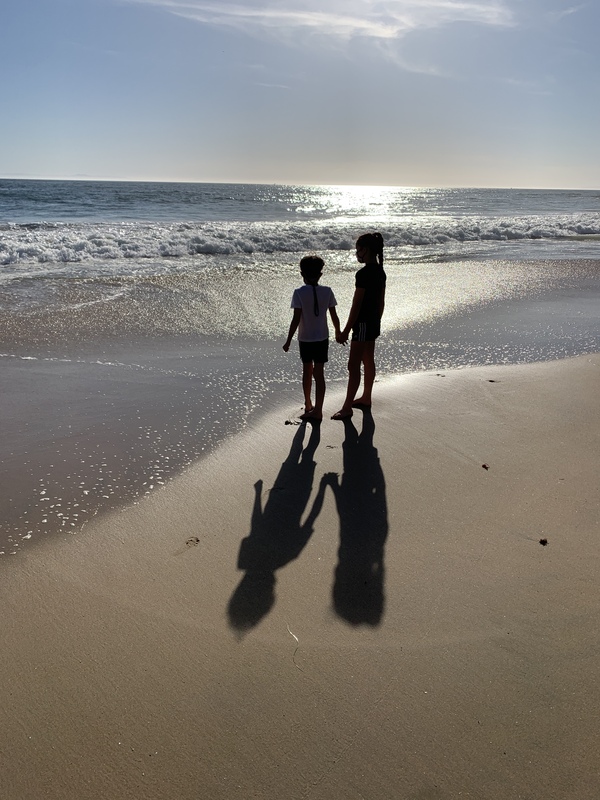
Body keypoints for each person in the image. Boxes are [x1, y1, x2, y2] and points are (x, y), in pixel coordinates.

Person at [331, 232, 386, 420]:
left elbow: (357, 305)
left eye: (358, 249)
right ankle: (366, 397)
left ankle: (347, 407)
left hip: (362, 324)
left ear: (366, 250)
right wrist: (376, 320)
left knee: (353, 365)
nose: (357, 253)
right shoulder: (380, 271)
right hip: (373, 323)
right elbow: (381, 302)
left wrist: (346, 330)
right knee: (368, 360)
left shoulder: (362, 274)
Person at [283, 255, 340, 421]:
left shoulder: (299, 293)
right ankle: (318, 409)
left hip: (306, 339)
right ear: (320, 274)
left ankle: (308, 403)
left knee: (307, 372)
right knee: (319, 374)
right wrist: (338, 331)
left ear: (302, 274)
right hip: (322, 338)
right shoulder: (327, 291)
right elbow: (334, 316)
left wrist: (288, 341)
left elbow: (296, 319)